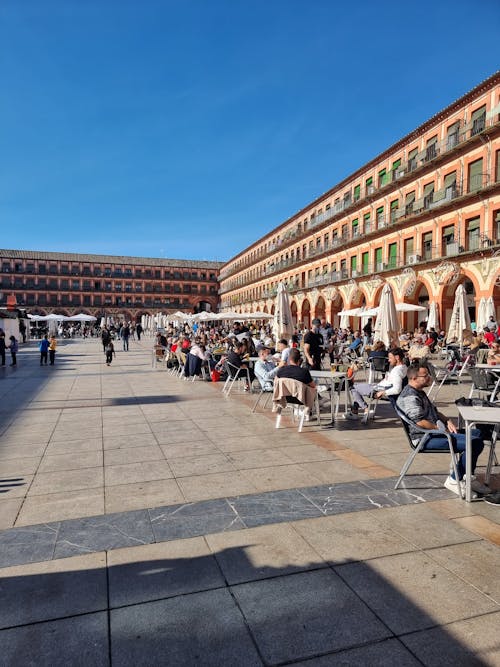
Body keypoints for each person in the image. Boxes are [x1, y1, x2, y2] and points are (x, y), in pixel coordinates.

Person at [396, 363, 490, 497]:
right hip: (426, 437)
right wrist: (441, 429)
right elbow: (420, 422)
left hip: (437, 432)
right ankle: (455, 479)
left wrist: (447, 421)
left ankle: (467, 476)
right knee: (474, 442)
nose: (429, 378)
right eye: (425, 376)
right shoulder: (410, 396)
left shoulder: (419, 392)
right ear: (414, 378)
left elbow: (434, 412)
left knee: (479, 433)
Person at [349, 347, 407, 416]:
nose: (389, 360)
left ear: (397, 357)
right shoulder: (404, 367)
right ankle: (354, 411)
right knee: (359, 388)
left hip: (379, 390)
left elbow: (397, 389)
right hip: (380, 387)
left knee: (353, 388)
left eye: (390, 358)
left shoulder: (397, 371)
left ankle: (365, 410)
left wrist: (383, 392)